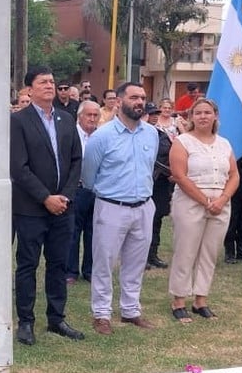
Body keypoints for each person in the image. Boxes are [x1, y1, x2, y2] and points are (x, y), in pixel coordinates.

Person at [10, 66, 85, 346]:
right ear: (29, 89)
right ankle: (26, 321)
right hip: (31, 208)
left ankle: (56, 318)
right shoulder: (18, 122)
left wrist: (64, 195)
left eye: (52, 81)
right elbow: (18, 167)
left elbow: (77, 160)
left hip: (63, 208)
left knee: (58, 264)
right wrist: (45, 197)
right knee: (28, 265)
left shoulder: (66, 119)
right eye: (43, 82)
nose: (50, 86)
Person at [81, 81, 159, 335]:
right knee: (104, 261)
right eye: (134, 97)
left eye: (143, 97)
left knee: (136, 263)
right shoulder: (102, 136)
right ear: (119, 102)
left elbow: (149, 168)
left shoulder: (151, 133)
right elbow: (89, 175)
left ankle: (130, 310)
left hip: (144, 206)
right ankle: (102, 314)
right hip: (112, 207)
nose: (139, 102)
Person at [167, 98, 239, 322]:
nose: (203, 116)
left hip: (221, 203)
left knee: (210, 253)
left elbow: (234, 174)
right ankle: (179, 300)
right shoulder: (183, 142)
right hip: (191, 201)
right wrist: (206, 201)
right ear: (191, 117)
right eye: (198, 113)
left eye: (207, 112)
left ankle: (200, 300)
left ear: (215, 116)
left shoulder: (224, 143)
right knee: (186, 251)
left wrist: (223, 199)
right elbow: (179, 175)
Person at [66, 100, 100, 285]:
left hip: (97, 190)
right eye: (89, 114)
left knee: (93, 231)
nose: (92, 118)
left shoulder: (102, 136)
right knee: (72, 231)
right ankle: (70, 271)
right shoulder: (70, 134)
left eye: (96, 115)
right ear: (80, 116)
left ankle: (90, 270)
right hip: (76, 189)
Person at [146, 102, 175, 270]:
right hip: (147, 184)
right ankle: (142, 257)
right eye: (151, 113)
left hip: (161, 184)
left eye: (156, 113)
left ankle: (153, 254)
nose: (154, 115)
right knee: (144, 223)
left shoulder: (161, 135)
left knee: (156, 221)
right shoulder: (139, 135)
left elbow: (169, 154)